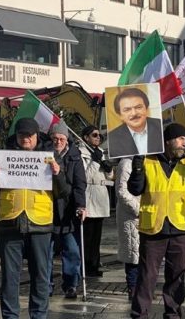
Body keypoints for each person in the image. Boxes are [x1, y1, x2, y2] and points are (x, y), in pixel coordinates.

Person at [0, 118, 70, 319]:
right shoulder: (3, 157)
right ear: (16, 137)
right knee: (9, 275)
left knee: (41, 274)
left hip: (40, 222)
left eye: (29, 136)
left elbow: (63, 193)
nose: (25, 139)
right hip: (10, 221)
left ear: (37, 136)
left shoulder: (49, 157)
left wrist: (58, 174)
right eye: (21, 136)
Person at [127, 123, 185, 319]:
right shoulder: (147, 161)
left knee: (177, 276)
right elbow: (134, 189)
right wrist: (136, 168)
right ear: (168, 141)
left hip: (179, 225)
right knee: (147, 276)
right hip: (153, 226)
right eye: (181, 139)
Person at [48, 122, 86, 299]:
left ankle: (71, 284)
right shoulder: (44, 154)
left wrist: (81, 205)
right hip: (47, 208)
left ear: (67, 139)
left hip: (68, 210)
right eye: (55, 138)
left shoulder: (75, 157)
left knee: (72, 250)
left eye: (61, 138)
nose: (58, 142)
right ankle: (46, 284)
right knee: (46, 252)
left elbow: (80, 184)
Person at [79, 126, 114, 277]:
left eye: (99, 136)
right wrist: (95, 162)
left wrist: (108, 168)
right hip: (89, 194)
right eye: (94, 135)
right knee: (87, 235)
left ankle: (94, 264)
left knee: (96, 236)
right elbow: (84, 177)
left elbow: (110, 178)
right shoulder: (82, 153)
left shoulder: (100, 153)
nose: (98, 138)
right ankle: (85, 266)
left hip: (100, 195)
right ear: (86, 137)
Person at [107, 87, 163, 156]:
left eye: (138, 107)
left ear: (147, 109)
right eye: (127, 110)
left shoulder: (161, 126)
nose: (134, 113)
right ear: (120, 115)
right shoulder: (112, 138)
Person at [115, 156, 140, 299]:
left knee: (141, 253)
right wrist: (138, 209)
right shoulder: (126, 163)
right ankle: (133, 288)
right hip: (131, 215)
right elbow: (122, 192)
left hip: (144, 214)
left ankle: (140, 288)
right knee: (132, 253)